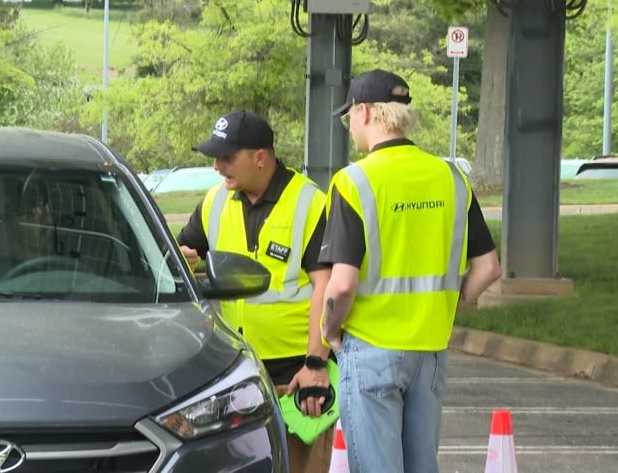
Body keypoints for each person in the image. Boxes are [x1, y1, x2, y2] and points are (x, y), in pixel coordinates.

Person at [317, 69, 503, 473]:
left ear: (365, 111)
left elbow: (342, 284)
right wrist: (455, 303)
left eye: (349, 118)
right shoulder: (452, 178)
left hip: (370, 347)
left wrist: (329, 331)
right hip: (431, 347)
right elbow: (489, 268)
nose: (350, 129)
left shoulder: (353, 182)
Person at [177, 110, 335, 473]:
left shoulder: (309, 203)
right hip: (234, 375)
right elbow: (183, 256)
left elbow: (326, 288)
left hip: (294, 377)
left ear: (260, 157)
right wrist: (182, 259)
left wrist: (315, 363)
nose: (217, 166)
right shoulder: (214, 202)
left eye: (228, 157)